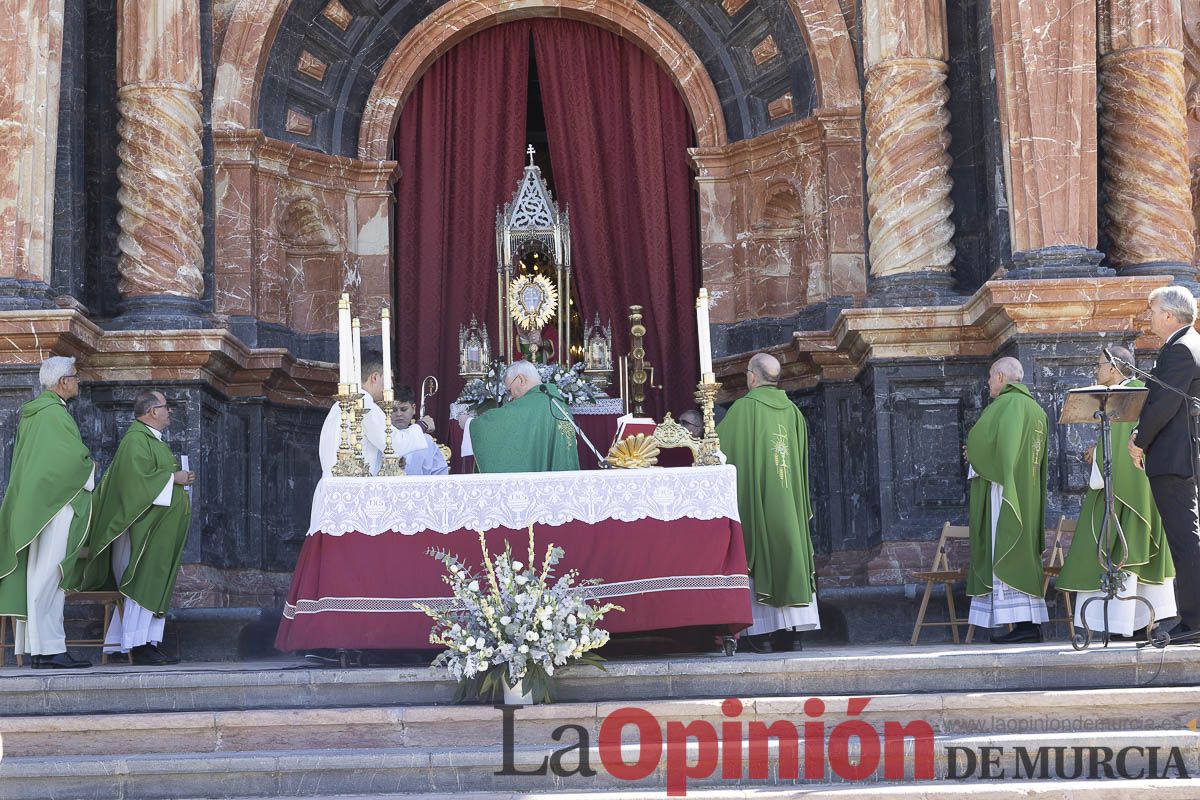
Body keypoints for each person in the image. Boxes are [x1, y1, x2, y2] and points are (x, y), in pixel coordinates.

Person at [69, 391, 194, 665]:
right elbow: (134, 482)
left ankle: (129, 643)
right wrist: (174, 478)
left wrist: (178, 481)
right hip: (141, 531)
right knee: (140, 583)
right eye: (166, 407)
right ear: (152, 412)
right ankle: (138, 646)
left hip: (155, 529)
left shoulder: (150, 440)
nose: (170, 411)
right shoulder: (136, 440)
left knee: (150, 583)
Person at [1058, 347, 1176, 636]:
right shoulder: (1140, 392)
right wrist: (1099, 450)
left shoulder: (1128, 397)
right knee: (1135, 554)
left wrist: (1096, 455)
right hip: (1141, 489)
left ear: (1114, 368)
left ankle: (1121, 623)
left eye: (1099, 365)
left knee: (1119, 549)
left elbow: (1125, 445)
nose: (1096, 371)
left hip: (1125, 494)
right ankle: (1139, 622)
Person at [716, 352, 819, 653]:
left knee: (759, 550)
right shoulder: (794, 413)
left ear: (752, 376)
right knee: (790, 552)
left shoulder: (743, 410)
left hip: (758, 499)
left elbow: (717, 450)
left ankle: (760, 635)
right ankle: (793, 633)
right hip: (789, 500)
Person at [0, 357, 95, 669]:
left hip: (37, 505)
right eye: (75, 377)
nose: (78, 381)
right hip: (55, 505)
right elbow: (66, 462)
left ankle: (42, 649)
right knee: (50, 575)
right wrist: (90, 466)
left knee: (40, 574)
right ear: (63, 382)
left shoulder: (36, 412)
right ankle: (49, 650)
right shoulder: (53, 414)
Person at [1128, 285, 1200, 638]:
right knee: (1186, 539)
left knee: (1185, 541)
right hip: (1180, 456)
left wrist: (1139, 440)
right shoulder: (1186, 345)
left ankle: (1195, 620)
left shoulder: (1181, 350)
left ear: (1170, 315)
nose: (1150, 316)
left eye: (1153, 310)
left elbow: (1164, 405)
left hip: (1175, 460)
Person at [965, 357, 1049, 643]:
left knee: (1004, 549)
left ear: (1001, 376)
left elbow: (982, 444)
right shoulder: (1037, 410)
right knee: (1022, 553)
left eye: (990, 376)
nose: (988, 382)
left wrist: (973, 455)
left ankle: (1021, 625)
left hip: (1006, 493)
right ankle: (1029, 623)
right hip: (1028, 494)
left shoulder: (1005, 405)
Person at [317, 359, 437, 479]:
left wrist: (388, 462)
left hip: (331, 485)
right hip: (353, 485)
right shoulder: (365, 405)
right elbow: (394, 444)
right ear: (375, 377)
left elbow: (365, 448)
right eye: (389, 378)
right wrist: (422, 425)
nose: (392, 385)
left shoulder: (339, 405)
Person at [458, 360, 580, 473]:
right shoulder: (558, 403)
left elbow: (492, 425)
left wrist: (468, 423)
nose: (511, 397)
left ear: (521, 379)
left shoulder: (530, 405)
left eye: (510, 390)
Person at [393, 384, 448, 476]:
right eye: (393, 410)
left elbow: (440, 472)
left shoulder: (426, 440)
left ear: (413, 409)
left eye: (403, 409)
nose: (399, 414)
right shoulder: (379, 438)